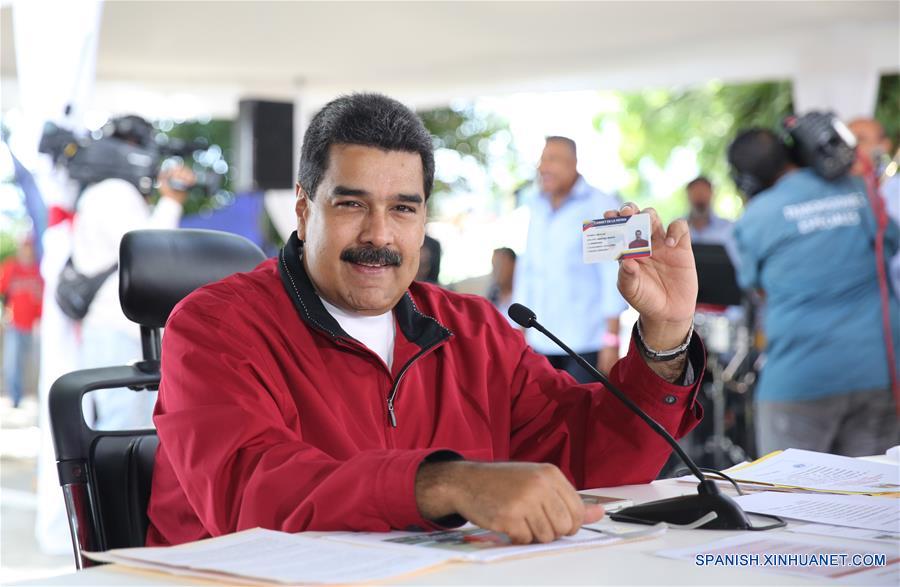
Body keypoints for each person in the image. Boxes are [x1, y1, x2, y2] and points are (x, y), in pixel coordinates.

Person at [147, 94, 704, 547]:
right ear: (302, 207)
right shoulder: (214, 327)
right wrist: (444, 483)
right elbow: (252, 492)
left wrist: (665, 335)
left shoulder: (473, 329)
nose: (379, 235)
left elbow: (589, 457)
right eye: (351, 204)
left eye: (403, 208)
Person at [729, 128, 900, 457]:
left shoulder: (755, 217)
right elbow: (889, 246)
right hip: (876, 372)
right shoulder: (857, 189)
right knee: (874, 500)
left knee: (788, 502)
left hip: (799, 380)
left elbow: (757, 290)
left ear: (746, 181)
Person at [71, 115, 195, 430]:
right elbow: (149, 253)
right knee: (124, 427)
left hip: (114, 329)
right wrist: (171, 200)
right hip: (118, 329)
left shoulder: (100, 192)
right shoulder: (114, 191)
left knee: (127, 425)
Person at [513, 136, 626, 379]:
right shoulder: (537, 204)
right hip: (539, 340)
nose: (543, 167)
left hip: (585, 343)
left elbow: (611, 275)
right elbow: (529, 269)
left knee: (582, 415)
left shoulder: (600, 204)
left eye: (552, 159)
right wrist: (519, 330)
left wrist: (612, 338)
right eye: (542, 160)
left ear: (573, 163)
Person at [0, 238, 43, 408]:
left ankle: (40, 398)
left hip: (36, 326)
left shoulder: (39, 269)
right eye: (23, 247)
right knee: (11, 364)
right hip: (15, 325)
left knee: (38, 364)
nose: (26, 250)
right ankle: (16, 399)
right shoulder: (11, 267)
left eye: (29, 247)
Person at [487, 247, 516, 323]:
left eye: (499, 265)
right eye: (494, 266)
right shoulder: (492, 297)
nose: (496, 271)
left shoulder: (525, 294)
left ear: (513, 264)